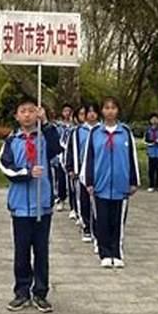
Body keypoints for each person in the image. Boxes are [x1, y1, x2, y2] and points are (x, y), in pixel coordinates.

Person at [0, 96, 61, 313]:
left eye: (31, 110)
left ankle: (41, 292)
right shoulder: (11, 140)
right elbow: (5, 167)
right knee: (22, 250)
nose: (27, 114)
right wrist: (26, 173)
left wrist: (46, 124)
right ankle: (21, 291)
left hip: (42, 204)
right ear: (17, 116)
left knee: (41, 251)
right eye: (23, 111)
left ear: (37, 113)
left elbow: (57, 149)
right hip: (20, 206)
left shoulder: (45, 137)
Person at [81, 97, 140, 269]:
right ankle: (104, 253)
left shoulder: (125, 132)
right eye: (106, 108)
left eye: (113, 107)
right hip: (100, 185)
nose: (110, 111)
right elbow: (89, 158)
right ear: (102, 111)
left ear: (118, 111)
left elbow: (132, 157)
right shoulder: (95, 133)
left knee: (118, 221)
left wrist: (134, 180)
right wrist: (89, 181)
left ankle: (117, 252)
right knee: (102, 220)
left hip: (121, 185)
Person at [66, 101, 100, 244]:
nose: (91, 114)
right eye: (88, 111)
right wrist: (71, 168)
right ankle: (86, 226)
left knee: (98, 203)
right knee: (84, 200)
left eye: (94, 111)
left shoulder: (102, 130)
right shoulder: (78, 131)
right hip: (81, 171)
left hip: (99, 172)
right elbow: (71, 150)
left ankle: (98, 229)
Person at [53, 103, 74, 213]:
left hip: (70, 155)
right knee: (60, 178)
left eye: (68, 110)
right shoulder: (59, 126)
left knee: (71, 180)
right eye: (65, 111)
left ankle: (73, 204)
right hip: (61, 155)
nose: (67, 113)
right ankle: (61, 198)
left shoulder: (74, 126)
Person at [144, 113, 158, 192]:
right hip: (151, 152)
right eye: (153, 119)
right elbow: (146, 141)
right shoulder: (148, 130)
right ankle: (151, 184)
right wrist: (153, 142)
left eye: (156, 119)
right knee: (151, 169)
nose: (154, 120)